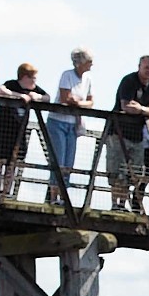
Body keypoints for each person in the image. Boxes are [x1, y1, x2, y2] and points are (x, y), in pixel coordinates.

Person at [108, 56, 149, 213]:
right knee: (117, 170)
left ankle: (123, 204)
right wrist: (142, 110)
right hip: (119, 132)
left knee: (134, 172)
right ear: (139, 67)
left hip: (137, 135)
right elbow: (126, 106)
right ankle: (115, 204)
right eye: (146, 67)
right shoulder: (129, 81)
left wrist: (142, 109)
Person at [0, 63, 48, 198]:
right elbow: (1, 91)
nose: (34, 81)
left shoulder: (34, 89)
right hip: (2, 129)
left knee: (13, 163)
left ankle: (6, 192)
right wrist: (18, 96)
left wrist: (36, 97)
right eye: (33, 78)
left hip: (18, 133)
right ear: (25, 77)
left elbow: (47, 97)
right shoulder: (11, 84)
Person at [46, 48, 94, 206]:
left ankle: (63, 196)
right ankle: (53, 197)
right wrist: (76, 102)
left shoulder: (87, 79)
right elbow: (65, 98)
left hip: (73, 123)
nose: (91, 64)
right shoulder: (67, 75)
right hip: (58, 121)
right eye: (88, 61)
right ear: (80, 62)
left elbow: (90, 101)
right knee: (58, 160)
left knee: (68, 162)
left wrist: (78, 103)